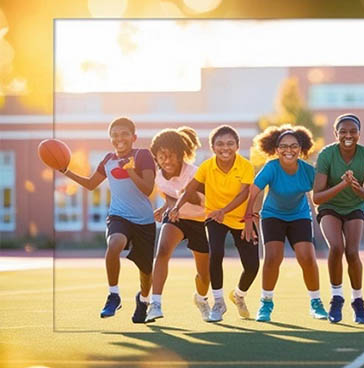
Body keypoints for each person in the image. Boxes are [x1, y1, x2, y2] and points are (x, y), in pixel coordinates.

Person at [61, 117, 156, 323]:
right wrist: (65, 171)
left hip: (144, 222)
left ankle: (144, 300)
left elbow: (148, 189)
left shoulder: (143, 155)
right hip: (118, 216)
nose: (119, 138)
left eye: (124, 134)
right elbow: (90, 184)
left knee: (146, 272)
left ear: (134, 137)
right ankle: (114, 295)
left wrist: (130, 170)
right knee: (114, 244)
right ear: (110, 139)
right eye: (114, 135)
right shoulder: (108, 159)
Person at [170, 125, 259, 323]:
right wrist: (176, 207)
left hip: (241, 218)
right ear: (212, 147)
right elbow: (189, 189)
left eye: (229, 144)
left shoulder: (245, 165)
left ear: (236, 146)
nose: (224, 148)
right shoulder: (206, 166)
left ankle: (238, 295)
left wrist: (226, 212)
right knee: (216, 253)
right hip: (214, 218)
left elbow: (244, 193)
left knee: (252, 266)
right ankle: (218, 302)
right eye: (219, 144)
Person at [243, 125, 328, 322]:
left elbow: (321, 194)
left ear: (301, 148)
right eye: (283, 146)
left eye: (293, 146)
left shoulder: (307, 170)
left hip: (299, 215)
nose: (288, 150)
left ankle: (316, 303)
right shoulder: (271, 167)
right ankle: (266, 303)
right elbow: (254, 191)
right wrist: (249, 218)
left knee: (307, 257)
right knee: (273, 257)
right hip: (273, 215)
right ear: (276, 148)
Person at [313, 114, 364, 324]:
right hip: (329, 207)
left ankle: (358, 301)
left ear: (359, 133)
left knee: (352, 252)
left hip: (354, 208)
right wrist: (343, 185)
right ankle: (336, 297)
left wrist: (357, 188)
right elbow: (317, 197)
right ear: (336, 134)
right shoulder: (326, 155)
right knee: (336, 248)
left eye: (352, 131)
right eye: (343, 131)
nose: (348, 135)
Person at [145, 127, 211, 322]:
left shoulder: (196, 174)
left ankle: (201, 299)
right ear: (156, 157)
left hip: (200, 220)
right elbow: (170, 194)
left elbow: (203, 202)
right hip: (176, 218)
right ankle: (155, 304)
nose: (166, 161)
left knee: (204, 275)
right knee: (163, 250)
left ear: (181, 154)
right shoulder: (158, 176)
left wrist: (186, 197)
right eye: (161, 156)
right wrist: (166, 207)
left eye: (171, 156)